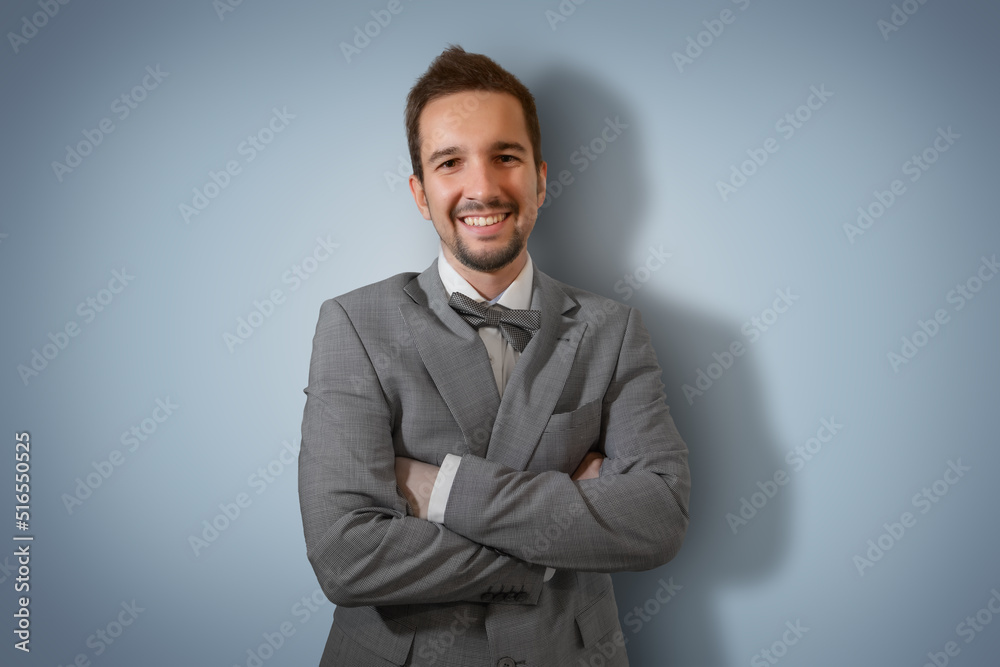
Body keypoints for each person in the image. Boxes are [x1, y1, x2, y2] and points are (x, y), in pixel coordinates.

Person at [298, 45, 690, 667]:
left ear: (539, 178)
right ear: (421, 193)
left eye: (504, 157)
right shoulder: (353, 325)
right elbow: (346, 558)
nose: (481, 187)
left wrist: (442, 492)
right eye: (449, 162)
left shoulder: (613, 330)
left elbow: (659, 517)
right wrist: (563, 528)